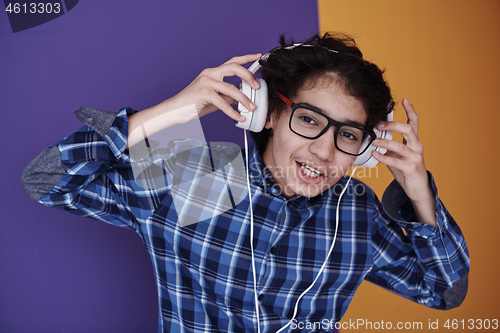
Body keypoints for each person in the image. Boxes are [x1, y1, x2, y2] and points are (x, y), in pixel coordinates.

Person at [21, 32, 469, 333]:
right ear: (267, 113)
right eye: (308, 119)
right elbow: (46, 179)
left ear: (367, 148)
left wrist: (418, 192)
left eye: (348, 134)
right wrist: (175, 111)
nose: (325, 151)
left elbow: (444, 291)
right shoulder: (186, 174)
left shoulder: (358, 210)